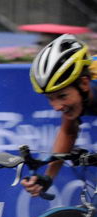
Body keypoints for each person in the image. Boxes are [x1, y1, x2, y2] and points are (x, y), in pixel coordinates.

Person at [23, 34, 97, 196]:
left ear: (84, 84)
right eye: (51, 98)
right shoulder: (80, 94)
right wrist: (48, 177)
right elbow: (68, 131)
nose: (56, 107)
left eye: (62, 96)